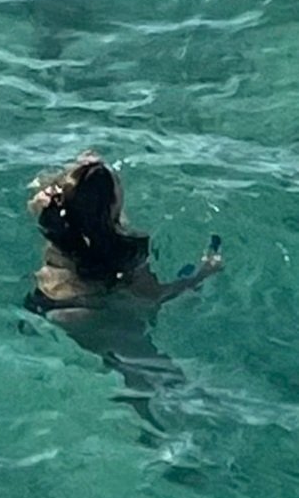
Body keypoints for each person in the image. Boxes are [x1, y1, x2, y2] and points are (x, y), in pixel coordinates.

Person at [25, 152, 221, 418]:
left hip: (44, 303)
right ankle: (158, 435)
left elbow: (42, 189)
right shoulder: (127, 252)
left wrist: (78, 171)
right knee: (162, 379)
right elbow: (154, 298)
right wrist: (203, 273)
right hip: (90, 315)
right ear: (114, 204)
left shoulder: (52, 217)